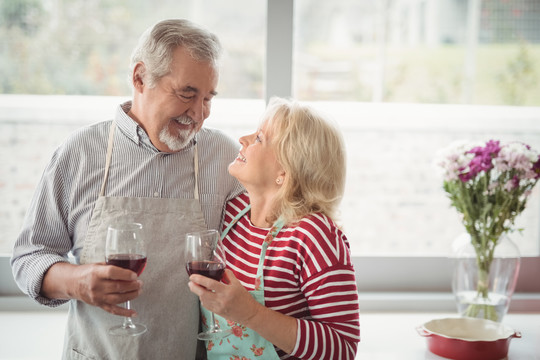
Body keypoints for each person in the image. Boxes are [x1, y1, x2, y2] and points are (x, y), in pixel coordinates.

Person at [11, 19, 243, 359]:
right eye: (187, 94)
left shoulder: (225, 158)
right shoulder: (80, 152)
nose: (198, 113)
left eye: (208, 98)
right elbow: (29, 256)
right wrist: (77, 280)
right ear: (140, 78)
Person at [188, 97, 361, 359]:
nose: (243, 139)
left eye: (259, 138)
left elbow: (343, 348)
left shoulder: (314, 235)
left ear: (285, 168)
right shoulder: (232, 213)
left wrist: (251, 313)